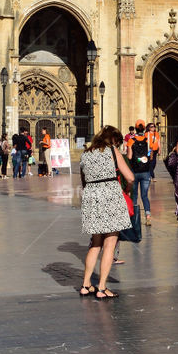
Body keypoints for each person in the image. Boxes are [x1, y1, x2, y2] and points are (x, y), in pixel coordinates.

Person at [78, 125, 135, 299]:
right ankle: (102, 287)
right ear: (113, 140)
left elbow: (84, 180)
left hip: (91, 197)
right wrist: (128, 190)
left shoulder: (86, 154)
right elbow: (130, 177)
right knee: (110, 243)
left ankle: (86, 285)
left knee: (95, 243)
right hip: (110, 195)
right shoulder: (112, 152)